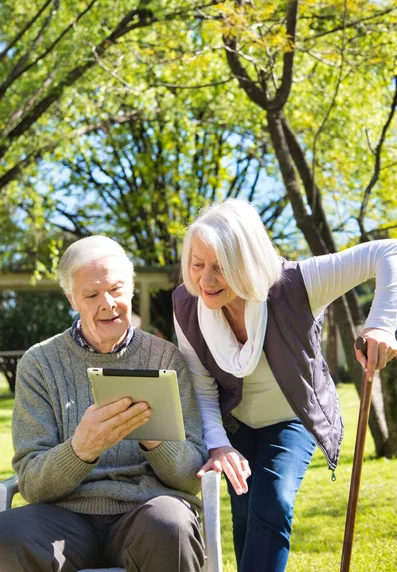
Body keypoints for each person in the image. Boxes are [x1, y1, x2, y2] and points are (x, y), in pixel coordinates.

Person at [172, 198, 397, 572]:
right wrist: (219, 445)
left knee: (272, 502)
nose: (205, 280)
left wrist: (383, 323)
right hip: (235, 423)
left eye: (220, 267)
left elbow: (388, 250)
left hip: (292, 418)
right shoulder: (186, 304)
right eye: (198, 265)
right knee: (245, 514)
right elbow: (202, 386)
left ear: (246, 262)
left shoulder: (298, 284)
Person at [0, 236, 207, 572]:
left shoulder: (166, 357)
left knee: (171, 525)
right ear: (71, 299)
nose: (108, 303)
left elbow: (190, 478)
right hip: (63, 516)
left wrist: (154, 438)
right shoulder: (39, 364)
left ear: (131, 288)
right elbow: (33, 485)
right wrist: (80, 449)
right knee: (6, 534)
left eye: (116, 289)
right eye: (92, 295)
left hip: (145, 509)